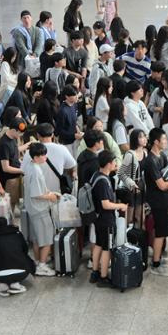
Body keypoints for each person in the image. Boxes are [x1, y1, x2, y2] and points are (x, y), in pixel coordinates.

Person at [89, 150, 127, 287]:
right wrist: (120, 205)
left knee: (99, 244)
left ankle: (95, 272)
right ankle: (104, 277)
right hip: (106, 220)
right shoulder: (104, 182)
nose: (116, 164)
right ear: (109, 164)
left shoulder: (96, 176)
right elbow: (105, 204)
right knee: (107, 248)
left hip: (98, 218)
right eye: (114, 162)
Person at [145, 128, 168, 276]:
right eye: (163, 140)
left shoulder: (162, 156)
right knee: (160, 232)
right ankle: (156, 264)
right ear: (156, 142)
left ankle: (159, 257)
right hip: (157, 201)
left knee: (164, 230)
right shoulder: (150, 161)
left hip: (166, 200)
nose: (166, 142)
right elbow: (161, 185)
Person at [23, 143, 59, 277]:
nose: (45, 157)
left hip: (32, 209)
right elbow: (36, 194)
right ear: (36, 157)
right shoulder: (36, 171)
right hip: (40, 209)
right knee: (47, 239)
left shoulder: (29, 166)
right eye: (43, 155)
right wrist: (51, 196)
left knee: (38, 238)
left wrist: (48, 192)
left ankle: (38, 261)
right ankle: (42, 266)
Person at [0, 216, 35, 297]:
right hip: (22, 271)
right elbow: (25, 250)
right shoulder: (17, 233)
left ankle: (2, 284)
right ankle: (16, 283)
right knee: (23, 256)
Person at [0, 118, 29, 212]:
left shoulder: (13, 138)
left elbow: (14, 152)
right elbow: (5, 168)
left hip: (16, 176)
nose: (21, 135)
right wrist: (23, 170)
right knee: (10, 205)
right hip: (9, 179)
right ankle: (10, 224)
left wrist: (27, 146)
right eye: (20, 133)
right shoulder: (4, 144)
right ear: (14, 130)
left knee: (16, 200)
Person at [55, 85, 84, 157]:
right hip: (66, 142)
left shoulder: (74, 105)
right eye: (74, 95)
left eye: (77, 94)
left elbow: (74, 122)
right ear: (67, 96)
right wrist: (74, 135)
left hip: (74, 139)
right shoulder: (63, 111)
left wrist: (78, 130)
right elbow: (59, 131)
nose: (77, 97)